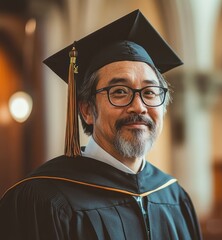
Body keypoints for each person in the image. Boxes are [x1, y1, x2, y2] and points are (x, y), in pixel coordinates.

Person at [0, 10, 202, 240]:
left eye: (150, 92)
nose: (139, 106)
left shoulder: (174, 196)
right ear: (87, 110)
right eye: (119, 92)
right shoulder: (42, 199)